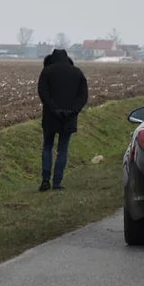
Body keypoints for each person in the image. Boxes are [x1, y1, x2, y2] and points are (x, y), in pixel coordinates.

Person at [37, 48, 88, 192]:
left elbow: (42, 92)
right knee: (62, 150)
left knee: (47, 147)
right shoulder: (77, 73)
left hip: (50, 117)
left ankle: (45, 180)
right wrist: (73, 111)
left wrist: (54, 109)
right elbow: (83, 96)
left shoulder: (47, 71)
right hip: (69, 119)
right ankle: (57, 183)